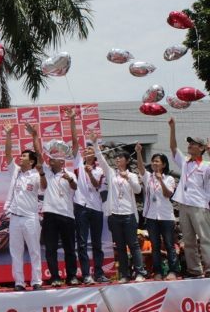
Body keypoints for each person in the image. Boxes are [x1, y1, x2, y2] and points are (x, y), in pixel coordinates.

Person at [89, 132, 146, 283]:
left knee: (133, 245)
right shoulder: (111, 173)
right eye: (116, 157)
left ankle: (140, 272)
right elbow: (101, 159)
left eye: (120, 157)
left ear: (127, 160)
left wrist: (128, 179)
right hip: (114, 215)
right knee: (120, 246)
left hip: (129, 214)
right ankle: (124, 275)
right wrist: (95, 144)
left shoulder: (132, 175)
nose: (117, 159)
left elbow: (138, 190)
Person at [2, 123, 46, 291]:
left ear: (32, 161)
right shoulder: (15, 171)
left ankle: (37, 281)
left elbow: (44, 186)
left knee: (34, 250)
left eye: (24, 156)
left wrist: (34, 136)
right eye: (20, 155)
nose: (20, 157)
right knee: (16, 251)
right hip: (15, 218)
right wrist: (8, 134)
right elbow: (7, 154)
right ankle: (19, 282)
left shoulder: (36, 175)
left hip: (30, 218)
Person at [68, 110, 109, 284]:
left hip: (97, 208)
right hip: (81, 207)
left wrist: (90, 172)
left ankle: (99, 273)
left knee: (97, 243)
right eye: (85, 150)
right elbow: (74, 141)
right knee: (82, 243)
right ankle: (86, 274)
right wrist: (72, 120)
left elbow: (97, 185)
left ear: (95, 154)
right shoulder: (78, 163)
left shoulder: (99, 169)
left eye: (90, 150)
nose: (86, 152)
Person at [168, 118, 210, 278]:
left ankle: (209, 268)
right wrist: (172, 127)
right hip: (183, 205)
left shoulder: (206, 165)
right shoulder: (185, 162)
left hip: (200, 205)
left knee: (205, 238)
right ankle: (195, 270)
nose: (190, 146)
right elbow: (173, 148)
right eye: (189, 143)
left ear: (201, 148)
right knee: (188, 240)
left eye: (193, 144)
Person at [135, 144, 178, 280]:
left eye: (157, 161)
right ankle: (158, 272)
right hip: (151, 216)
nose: (154, 163)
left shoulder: (169, 179)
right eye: (153, 161)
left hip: (166, 216)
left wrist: (161, 180)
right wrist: (138, 152)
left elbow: (168, 194)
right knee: (155, 245)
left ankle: (173, 271)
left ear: (163, 164)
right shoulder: (148, 177)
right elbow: (140, 168)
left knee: (169, 245)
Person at [39, 148, 79, 287]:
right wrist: (34, 138)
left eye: (53, 158)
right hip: (50, 213)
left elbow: (75, 187)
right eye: (50, 158)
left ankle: (72, 276)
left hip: (67, 215)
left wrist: (70, 180)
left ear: (61, 162)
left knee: (70, 248)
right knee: (51, 248)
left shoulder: (70, 174)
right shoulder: (47, 172)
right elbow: (38, 155)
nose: (50, 160)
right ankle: (55, 277)